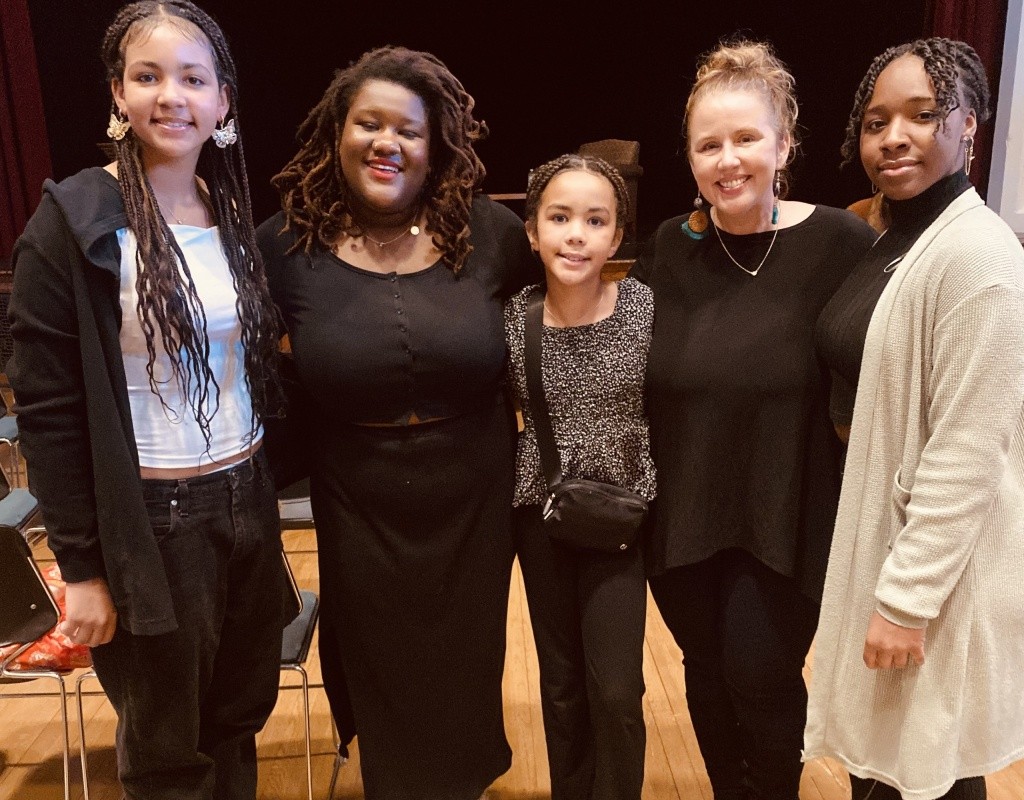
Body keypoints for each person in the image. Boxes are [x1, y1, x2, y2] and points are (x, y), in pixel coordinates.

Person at [7, 2, 289, 798]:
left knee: (237, 719)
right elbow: (51, 414)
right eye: (149, 76)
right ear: (117, 94)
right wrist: (84, 570)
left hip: (245, 500)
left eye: (194, 79)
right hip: (155, 526)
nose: (173, 96)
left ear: (223, 102)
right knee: (167, 751)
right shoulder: (73, 222)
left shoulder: (228, 212)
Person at [256, 46, 539, 800]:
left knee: (466, 658)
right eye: (368, 124)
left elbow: (553, 336)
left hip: (474, 490)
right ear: (336, 134)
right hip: (358, 496)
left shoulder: (493, 237)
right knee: (381, 660)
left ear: (435, 143)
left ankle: (465, 781)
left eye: (407, 130)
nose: (387, 143)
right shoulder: (284, 246)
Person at [629, 39, 877, 800]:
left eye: (746, 138)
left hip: (787, 514)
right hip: (683, 516)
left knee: (762, 677)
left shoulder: (840, 241)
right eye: (709, 144)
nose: (727, 159)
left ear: (785, 144)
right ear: (691, 156)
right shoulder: (670, 245)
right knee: (704, 673)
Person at [805, 38, 1024, 800]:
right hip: (882, 536)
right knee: (893, 763)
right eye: (876, 120)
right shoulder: (895, 233)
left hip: (930, 572)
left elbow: (970, 449)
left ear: (971, 127)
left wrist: (906, 599)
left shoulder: (977, 257)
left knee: (929, 767)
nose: (893, 135)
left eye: (923, 115)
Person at [504, 154, 655, 800]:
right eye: (559, 218)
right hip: (542, 512)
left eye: (596, 220)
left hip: (622, 516)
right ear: (533, 231)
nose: (576, 235)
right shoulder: (515, 317)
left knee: (617, 690)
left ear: (617, 235)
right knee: (562, 687)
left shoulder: (644, 307)